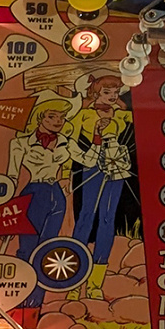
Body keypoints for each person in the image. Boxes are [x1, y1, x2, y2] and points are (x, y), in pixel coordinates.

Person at [4, 91, 73, 329]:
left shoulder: (66, 143)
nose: (58, 121)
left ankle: (33, 315)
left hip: (57, 197)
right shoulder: (20, 143)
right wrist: (7, 211)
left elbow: (80, 161)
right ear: (40, 117)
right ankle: (17, 308)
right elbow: (11, 177)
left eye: (61, 117)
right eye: (52, 116)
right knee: (27, 250)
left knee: (46, 255)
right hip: (32, 195)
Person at [64, 73, 135, 299]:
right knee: (85, 217)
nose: (112, 96)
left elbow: (143, 120)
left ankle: (95, 284)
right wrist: (65, 173)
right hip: (92, 166)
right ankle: (75, 281)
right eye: (107, 92)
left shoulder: (122, 114)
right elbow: (68, 142)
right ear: (95, 93)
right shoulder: (83, 115)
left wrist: (122, 105)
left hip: (117, 167)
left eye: (116, 92)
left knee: (107, 220)